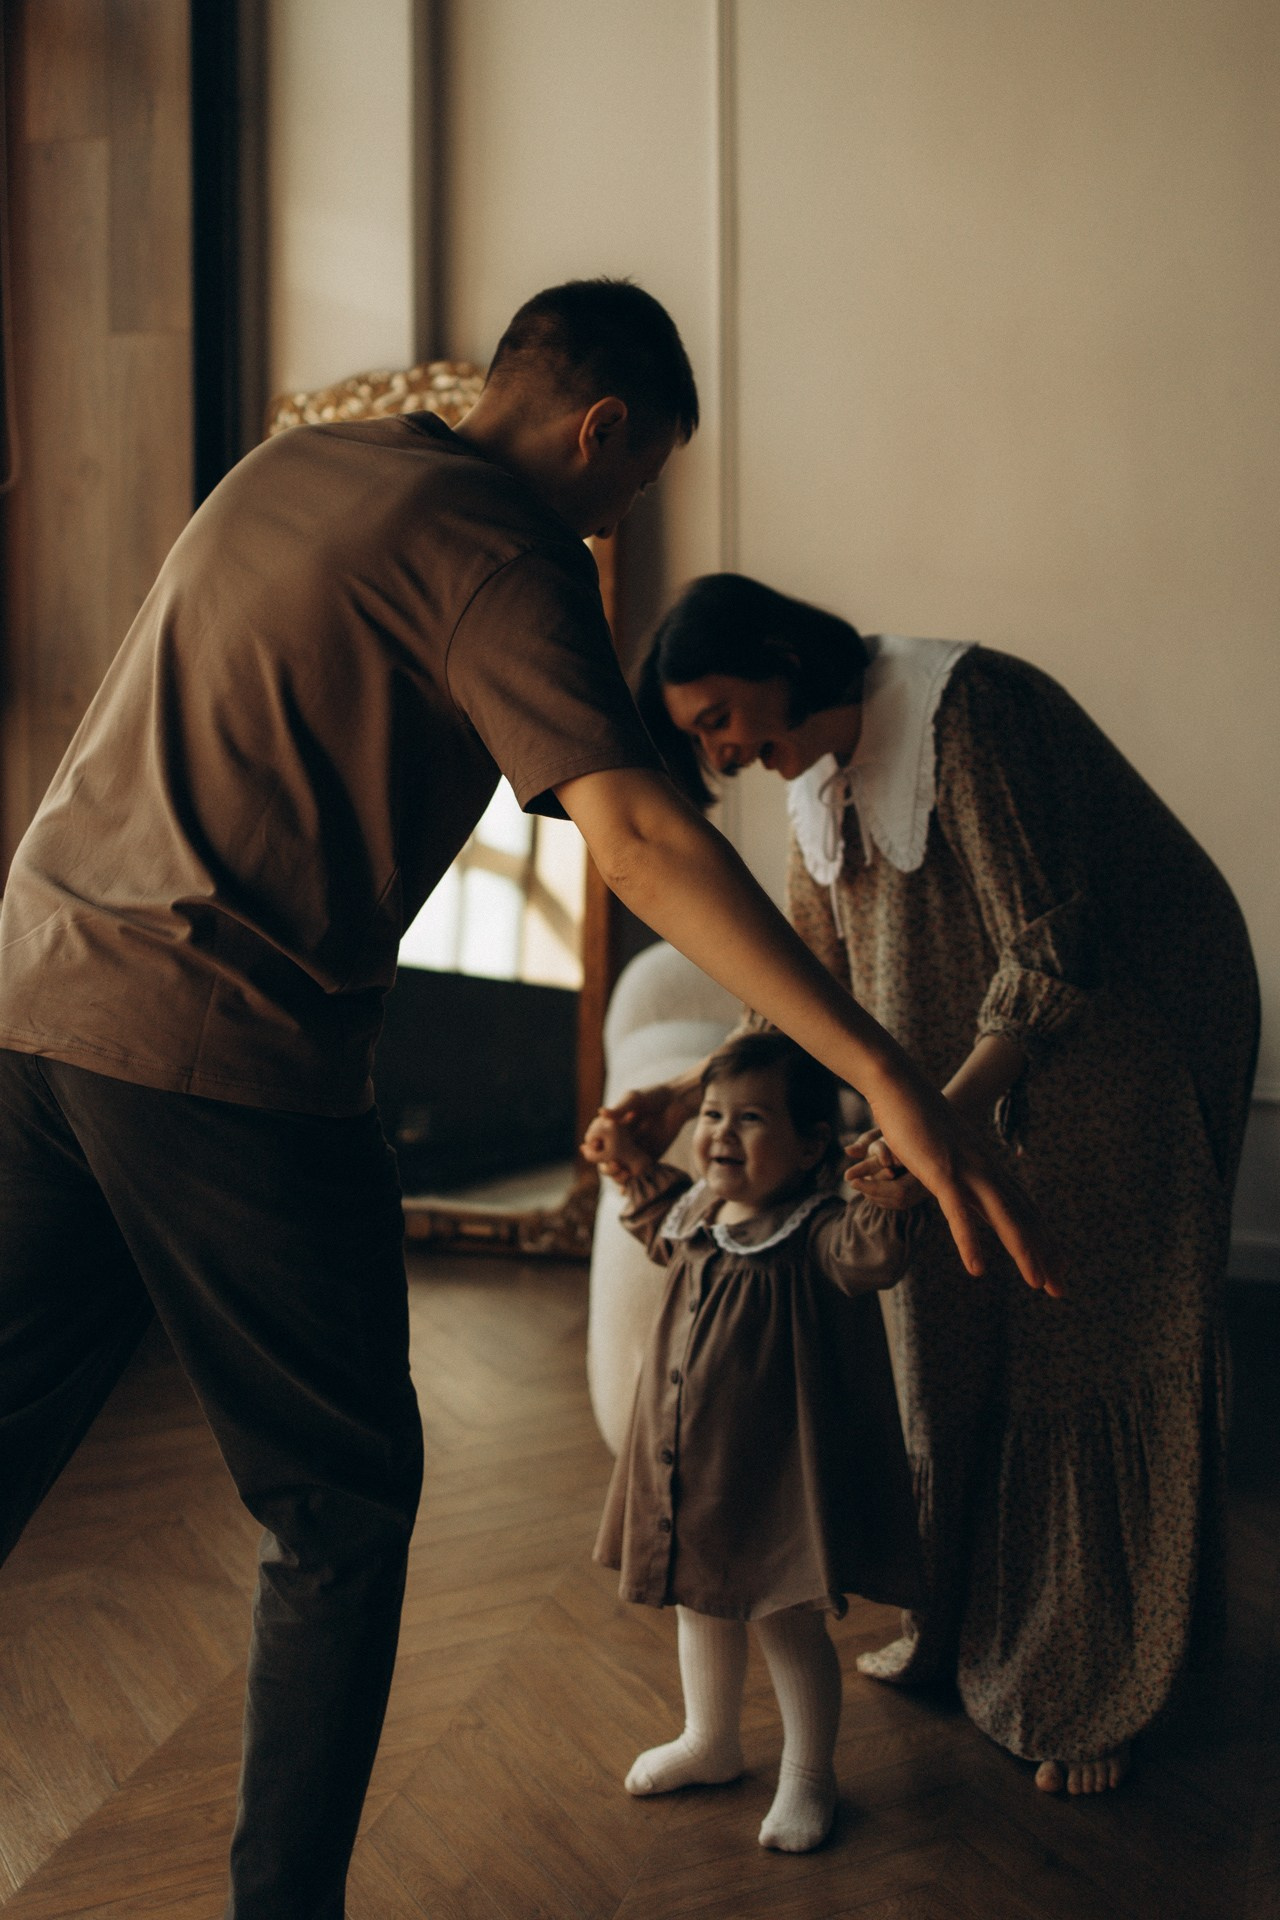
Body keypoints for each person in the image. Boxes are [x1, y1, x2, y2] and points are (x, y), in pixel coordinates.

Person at [0, 279, 1055, 1918]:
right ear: (599, 431)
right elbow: (633, 839)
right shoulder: (508, 548)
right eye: (628, 491)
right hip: (223, 1056)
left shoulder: (292, 471)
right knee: (338, 1507)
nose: (617, 521)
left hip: (32, 998)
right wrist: (882, 1072)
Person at [621, 571, 1260, 1798]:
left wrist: (937, 1124)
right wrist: (689, 1095)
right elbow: (794, 989)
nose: (722, 750)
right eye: (699, 737)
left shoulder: (965, 712)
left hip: (1122, 1036)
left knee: (1083, 1339)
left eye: (715, 719)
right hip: (972, 1071)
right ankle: (970, 1622)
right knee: (954, 1329)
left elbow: (1054, 944)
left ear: (770, 654)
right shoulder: (816, 781)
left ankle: (1098, 1681)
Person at [584, 1031, 926, 1853]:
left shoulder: (818, 1232)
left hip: (775, 1483)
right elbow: (657, 1223)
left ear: (814, 1146)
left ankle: (811, 1775)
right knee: (697, 1602)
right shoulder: (700, 1212)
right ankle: (712, 1740)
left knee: (784, 1622)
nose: (721, 1135)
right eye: (710, 1115)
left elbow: (872, 1257)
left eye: (751, 1119)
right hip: (689, 1466)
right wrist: (629, 1159)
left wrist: (891, 1195)